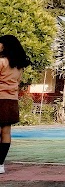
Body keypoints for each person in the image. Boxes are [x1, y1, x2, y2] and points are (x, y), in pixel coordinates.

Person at [0, 35, 31, 174]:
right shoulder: (19, 66)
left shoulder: (1, 62)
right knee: (6, 132)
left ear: (5, 46)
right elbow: (17, 83)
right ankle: (0, 164)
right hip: (12, 100)